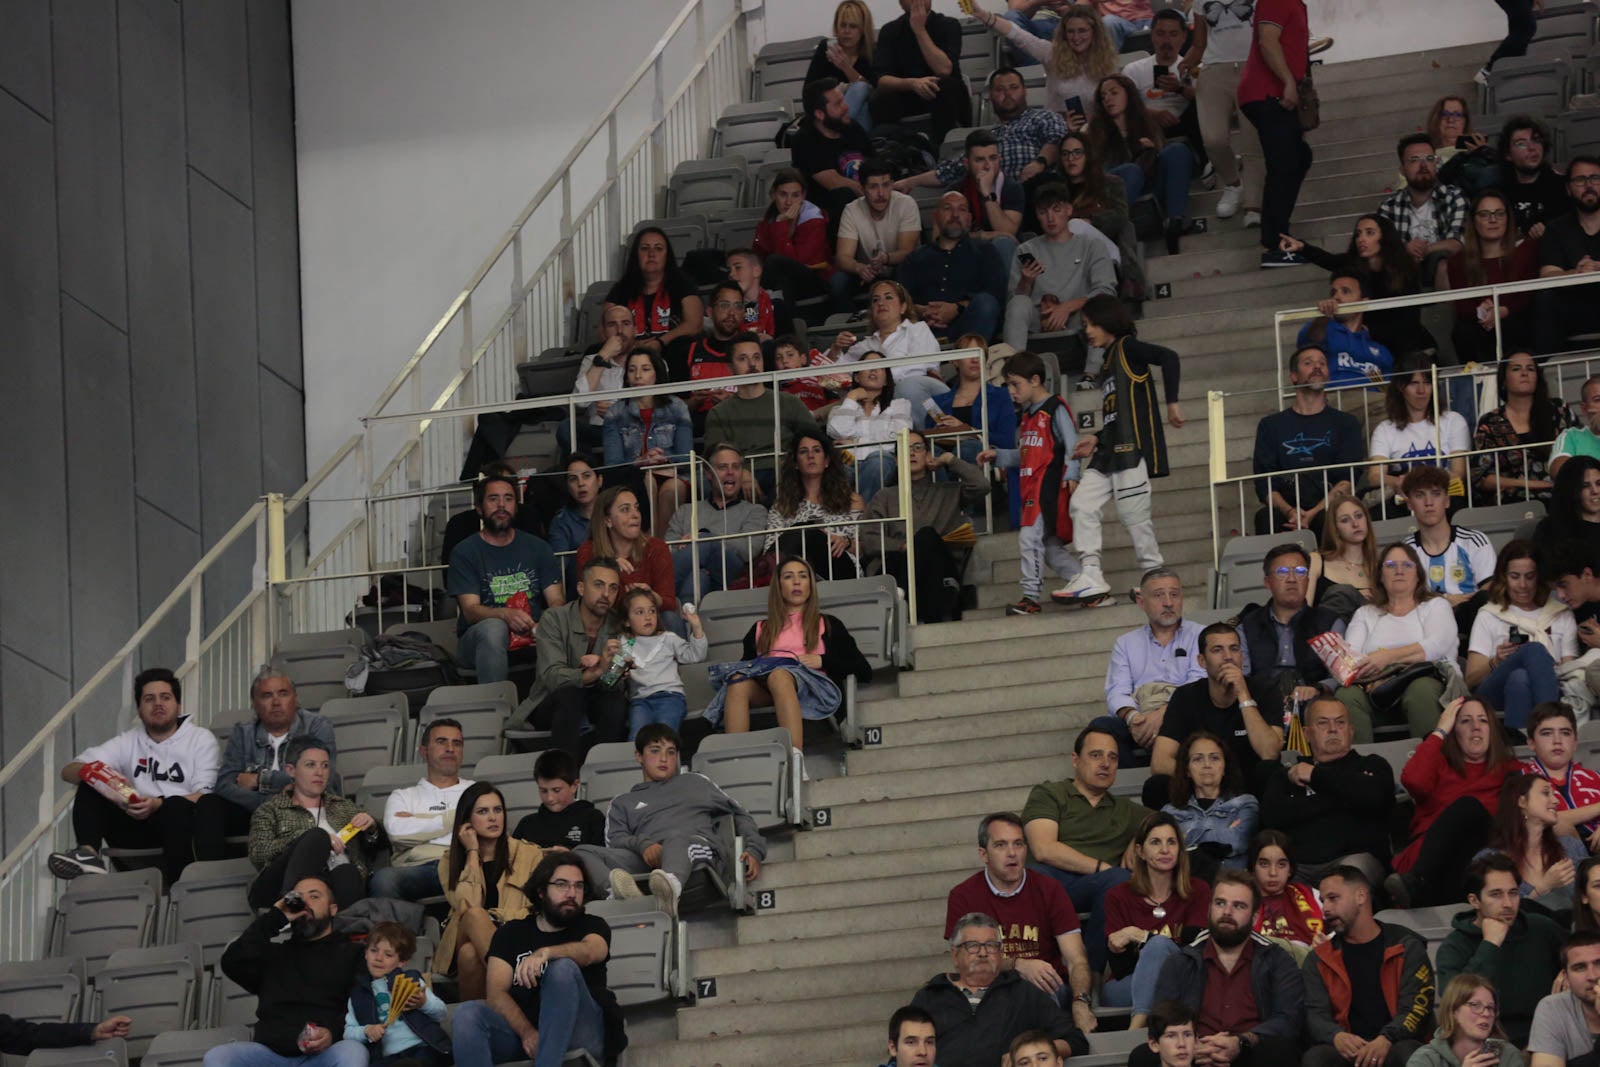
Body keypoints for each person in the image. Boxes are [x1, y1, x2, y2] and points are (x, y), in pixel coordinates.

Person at [1055, 294, 1182, 601]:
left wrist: (1173, 404)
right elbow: (1119, 412)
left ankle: (1156, 578)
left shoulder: (1127, 347)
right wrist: (1097, 436)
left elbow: (1170, 357)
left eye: (1090, 324)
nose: (1087, 331)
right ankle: (1092, 575)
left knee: (1134, 517)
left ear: (1107, 320)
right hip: (1110, 450)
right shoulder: (1109, 360)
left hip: (1131, 450)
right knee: (1082, 504)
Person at [449, 854, 626, 1067]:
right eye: (562, 885)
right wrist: (527, 1032)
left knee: (561, 969)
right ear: (541, 891)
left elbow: (591, 951)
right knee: (467, 1014)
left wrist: (547, 953)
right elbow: (496, 994)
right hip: (527, 1033)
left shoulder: (593, 925)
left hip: (581, 1031)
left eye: (578, 886)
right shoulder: (511, 933)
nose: (572, 893)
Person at [50, 666, 219, 885]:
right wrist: (99, 777)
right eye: (149, 699)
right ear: (139, 709)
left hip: (181, 824)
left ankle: (179, 886)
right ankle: (88, 854)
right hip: (136, 822)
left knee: (176, 808)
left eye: (165, 697)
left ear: (178, 705)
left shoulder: (200, 739)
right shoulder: (128, 741)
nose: (158, 703)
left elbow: (204, 796)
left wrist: (158, 803)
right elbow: (69, 770)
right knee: (89, 782)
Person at [572, 725, 763, 916]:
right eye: (655, 751)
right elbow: (616, 840)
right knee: (580, 852)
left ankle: (669, 891)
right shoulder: (623, 802)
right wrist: (644, 845)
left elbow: (739, 813)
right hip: (649, 864)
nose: (664, 758)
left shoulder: (695, 783)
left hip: (697, 862)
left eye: (670, 752)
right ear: (639, 756)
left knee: (676, 838)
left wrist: (753, 848)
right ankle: (622, 897)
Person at [1136, 870, 1306, 1067]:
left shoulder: (1277, 959)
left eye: (1239, 906)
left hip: (1251, 1053)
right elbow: (1162, 1020)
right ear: (1209, 910)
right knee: (1143, 1057)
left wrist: (1241, 1042)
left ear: (1254, 916)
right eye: (1220, 903)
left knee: (1281, 1052)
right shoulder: (1181, 961)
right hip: (1196, 1054)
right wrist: (1193, 1047)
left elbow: (1289, 1020)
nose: (1227, 912)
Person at [705, 555, 873, 752]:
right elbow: (748, 667)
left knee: (780, 675)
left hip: (814, 686)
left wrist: (821, 660)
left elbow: (863, 669)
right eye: (788, 577)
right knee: (737, 680)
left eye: (802, 576)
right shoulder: (760, 629)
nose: (796, 582)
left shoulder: (827, 624)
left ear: (810, 584)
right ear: (779, 586)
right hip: (769, 685)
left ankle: (795, 759)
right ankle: (735, 758)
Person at [944, 813, 1096, 1028]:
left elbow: (1076, 959)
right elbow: (966, 960)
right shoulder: (964, 896)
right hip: (991, 988)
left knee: (1037, 989)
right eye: (1000, 845)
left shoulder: (1049, 889)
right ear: (983, 854)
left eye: (1018, 844)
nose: (1012, 853)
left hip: (1048, 987)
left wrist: (1081, 1002)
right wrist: (1019, 965)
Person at [1020, 725, 1150, 972]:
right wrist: (1101, 867)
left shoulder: (1125, 809)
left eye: (1113, 757)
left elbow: (1170, 823)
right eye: (1096, 755)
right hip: (1051, 879)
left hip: (1097, 888)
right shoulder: (1050, 793)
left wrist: (1139, 838)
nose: (1105, 763)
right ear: (1075, 760)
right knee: (1035, 877)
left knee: (1120, 881)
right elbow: (1043, 849)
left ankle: (1089, 973)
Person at [207, 877, 366, 1067]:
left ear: (333, 909)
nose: (305, 903)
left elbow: (363, 1007)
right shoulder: (275, 954)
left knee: (353, 1052)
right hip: (271, 1056)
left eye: (314, 897)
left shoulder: (353, 954)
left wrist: (332, 1032)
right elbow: (232, 961)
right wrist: (276, 917)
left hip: (326, 1054)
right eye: (298, 898)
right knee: (218, 1057)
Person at [975, 350, 1085, 615]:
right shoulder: (1026, 417)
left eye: (1015, 384)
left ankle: (1030, 596)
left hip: (1048, 488)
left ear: (1035, 380)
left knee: (1028, 538)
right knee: (1049, 549)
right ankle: (1087, 584)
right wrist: (999, 455)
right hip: (1031, 488)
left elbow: (1073, 446)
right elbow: (1026, 454)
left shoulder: (1054, 408)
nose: (1012, 391)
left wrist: (1072, 475)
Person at [196, 668, 338, 862]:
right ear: (255, 704)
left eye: (283, 694)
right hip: (252, 811)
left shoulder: (316, 726)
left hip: (301, 810)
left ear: (295, 698)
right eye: (267, 696)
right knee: (208, 803)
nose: (276, 702)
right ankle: (208, 874)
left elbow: (321, 779)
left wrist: (261, 780)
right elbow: (223, 785)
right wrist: (268, 802)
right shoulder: (243, 733)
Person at [1386, 698, 1515, 909]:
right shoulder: (1439, 764)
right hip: (1432, 866)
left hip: (1481, 866)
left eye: (1483, 721)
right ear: (1453, 730)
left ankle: (1418, 882)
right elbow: (1412, 780)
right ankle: (1417, 881)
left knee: (1473, 810)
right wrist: (1440, 731)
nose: (1476, 727)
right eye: (1465, 721)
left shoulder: (1510, 770)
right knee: (1468, 806)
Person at [910, 913, 1088, 1065]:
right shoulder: (930, 996)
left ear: (1000, 953)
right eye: (972, 946)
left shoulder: (1023, 992)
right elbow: (906, 1052)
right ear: (955, 955)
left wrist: (1026, 1053)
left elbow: (1075, 1041)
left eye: (990, 945)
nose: (983, 953)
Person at [1301, 866, 1433, 1067]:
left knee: (1410, 1053)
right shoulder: (1318, 958)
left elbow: (1416, 1009)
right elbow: (1315, 1014)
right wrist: (1336, 1036)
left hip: (1394, 1044)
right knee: (1316, 1058)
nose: (1325, 908)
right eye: (1323, 901)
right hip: (1347, 1050)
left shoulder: (1407, 947)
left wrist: (1386, 1039)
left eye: (1333, 898)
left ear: (1361, 896)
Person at [1260, 695, 1395, 885]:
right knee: (1274, 880)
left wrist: (1315, 776)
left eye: (1340, 723)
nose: (1333, 729)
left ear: (1351, 731)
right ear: (1307, 733)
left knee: (1345, 881)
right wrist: (1343, 798)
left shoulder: (1373, 765)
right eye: (1323, 723)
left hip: (1354, 860)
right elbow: (1273, 818)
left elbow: (1376, 797)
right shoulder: (1288, 775)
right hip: (1299, 866)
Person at [858, 427, 987, 624]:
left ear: (927, 455)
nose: (911, 452)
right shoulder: (884, 497)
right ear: (896, 459)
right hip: (898, 566)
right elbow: (869, 539)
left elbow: (982, 485)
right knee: (910, 549)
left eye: (917, 447)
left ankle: (906, 613)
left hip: (939, 571)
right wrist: (903, 547)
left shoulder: (947, 491)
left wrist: (949, 460)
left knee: (926, 537)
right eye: (905, 448)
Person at [1435, 852, 1565, 1047]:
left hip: (1546, 1036)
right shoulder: (1454, 946)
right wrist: (1490, 945)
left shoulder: (1540, 928)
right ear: (1474, 901)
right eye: (1496, 894)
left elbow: (1582, 955)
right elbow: (1456, 1003)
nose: (1507, 903)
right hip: (1488, 1041)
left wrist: (1569, 972)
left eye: (1513, 893)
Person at [447, 473, 564, 684]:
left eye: (508, 499)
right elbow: (471, 611)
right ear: (479, 508)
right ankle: (496, 709)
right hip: (479, 640)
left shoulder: (538, 547)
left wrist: (542, 625)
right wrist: (505, 615)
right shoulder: (464, 552)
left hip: (533, 633)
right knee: (494, 628)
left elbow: (556, 602)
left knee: (562, 623)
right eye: (493, 499)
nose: (502, 505)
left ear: (516, 506)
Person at [1336, 541, 1459, 741]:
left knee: (1421, 690)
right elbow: (1352, 657)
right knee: (1346, 695)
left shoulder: (1436, 606)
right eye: (1391, 565)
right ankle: (1360, 767)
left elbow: (1436, 647)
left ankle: (1430, 764)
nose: (1399, 570)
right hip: (1376, 689)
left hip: (1427, 683)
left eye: (1407, 565)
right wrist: (1372, 671)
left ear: (1418, 574)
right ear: (1380, 576)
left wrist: (1386, 657)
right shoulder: (1366, 613)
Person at [1149, 622, 1283, 803]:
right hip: (1201, 789)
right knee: (1156, 785)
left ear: (1242, 657)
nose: (1228, 657)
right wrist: (1208, 777)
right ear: (1202, 661)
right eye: (1218, 650)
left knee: (1269, 772)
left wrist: (1243, 696)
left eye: (1234, 649)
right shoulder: (1185, 697)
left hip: (1250, 788)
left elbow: (1270, 753)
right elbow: (1160, 761)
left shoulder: (1265, 691)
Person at [435, 783, 543, 1001]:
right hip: (466, 931)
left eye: (498, 810)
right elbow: (467, 905)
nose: (493, 818)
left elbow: (536, 911)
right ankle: (515, 985)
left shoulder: (529, 854)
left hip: (516, 934)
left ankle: (481, 1022)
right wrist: (472, 852)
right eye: (483, 812)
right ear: (467, 820)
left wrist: (495, 917)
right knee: (475, 914)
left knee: (469, 955)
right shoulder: (450, 861)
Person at [1102, 813, 1212, 1028]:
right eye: (1155, 842)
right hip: (1128, 985)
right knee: (1158, 946)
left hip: (1182, 981)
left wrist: (1142, 936)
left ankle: (1136, 1030)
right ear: (1140, 852)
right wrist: (1153, 947)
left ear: (1180, 850)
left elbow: (1194, 952)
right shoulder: (1117, 896)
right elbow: (1120, 965)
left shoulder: (1198, 891)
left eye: (1171, 842)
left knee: (1159, 944)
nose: (1165, 850)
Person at [1091, 567, 1207, 767]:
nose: (1169, 603)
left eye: (1174, 594)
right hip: (1140, 716)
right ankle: (1140, 785)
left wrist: (1163, 715)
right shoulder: (1126, 643)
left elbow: (1198, 684)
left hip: (1185, 714)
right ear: (1141, 602)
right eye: (1159, 595)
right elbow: (1117, 691)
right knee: (1101, 729)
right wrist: (1134, 719)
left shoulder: (1200, 635)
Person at [517, 556, 628, 760]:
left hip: (596, 698)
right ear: (580, 588)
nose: (606, 594)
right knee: (570, 695)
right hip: (550, 702)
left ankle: (603, 770)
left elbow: (613, 683)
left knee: (615, 701)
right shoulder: (554, 619)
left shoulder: (617, 624)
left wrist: (614, 671)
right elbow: (552, 678)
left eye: (613, 588)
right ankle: (566, 776)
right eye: (598, 585)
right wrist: (596, 670)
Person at [1281, 216, 1435, 358]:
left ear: (1385, 237)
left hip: (1406, 341)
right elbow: (1328, 260)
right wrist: (1301, 247)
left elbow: (1410, 317)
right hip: (1372, 343)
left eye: (1369, 233)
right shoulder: (1352, 265)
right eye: (1358, 234)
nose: (1361, 239)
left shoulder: (1405, 269)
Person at [1251, 346, 1365, 536]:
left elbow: (1347, 479)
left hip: (1329, 506)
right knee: (1266, 518)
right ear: (1294, 376)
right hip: (1285, 510)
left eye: (1322, 363)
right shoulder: (1270, 425)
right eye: (1308, 363)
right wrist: (1290, 512)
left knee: (1331, 517)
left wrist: (1313, 513)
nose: (1317, 367)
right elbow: (1265, 482)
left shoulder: (1346, 423)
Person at [246, 739, 373, 910]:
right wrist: (304, 839)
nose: (319, 772)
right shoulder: (270, 810)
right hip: (278, 888)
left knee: (347, 872)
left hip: (332, 887)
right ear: (291, 770)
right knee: (317, 836)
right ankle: (290, 908)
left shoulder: (344, 807)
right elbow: (258, 854)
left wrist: (371, 828)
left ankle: (343, 930)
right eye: (310, 765)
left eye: (325, 766)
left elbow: (375, 849)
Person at [1467, 542, 1579, 730]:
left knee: (1519, 679)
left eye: (1530, 577)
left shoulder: (1561, 614)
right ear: (1503, 577)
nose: (1522, 585)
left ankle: (1519, 745)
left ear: (1539, 577)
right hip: (1494, 693)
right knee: (1533, 650)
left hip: (1551, 686)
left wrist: (1547, 667)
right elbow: (1470, 679)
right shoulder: (1488, 615)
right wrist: (1496, 661)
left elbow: (1570, 672)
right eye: (1514, 577)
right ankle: (1552, 726)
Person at [897, 65, 1068, 188]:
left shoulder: (1044, 117)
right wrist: (908, 182)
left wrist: (1040, 163)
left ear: (1024, 91)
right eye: (1000, 90)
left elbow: (1058, 140)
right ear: (990, 96)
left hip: (1040, 191)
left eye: (1013, 88)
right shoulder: (987, 137)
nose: (1007, 94)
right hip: (998, 201)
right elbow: (950, 170)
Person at [1002, 183, 1117, 356]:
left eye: (1056, 210)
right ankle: (1014, 371)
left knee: (1100, 308)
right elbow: (1013, 303)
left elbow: (1106, 291)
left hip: (1079, 318)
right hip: (1039, 319)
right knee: (1018, 303)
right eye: (1043, 212)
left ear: (1069, 210)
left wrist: (1067, 307)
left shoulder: (1091, 245)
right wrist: (1026, 281)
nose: (1050, 218)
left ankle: (1091, 375)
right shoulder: (1026, 250)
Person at [370, 719, 474, 902]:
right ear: (423, 751)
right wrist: (459, 817)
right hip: (416, 869)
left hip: (464, 865)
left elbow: (485, 829)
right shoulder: (402, 796)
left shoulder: (476, 791)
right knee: (384, 880)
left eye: (456, 743)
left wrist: (418, 820)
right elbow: (397, 832)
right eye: (441, 742)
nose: (450, 748)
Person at [1241, 0, 1312, 269]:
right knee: (1285, 164)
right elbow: (1267, 41)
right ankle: (1275, 244)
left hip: (1274, 94)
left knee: (1298, 158)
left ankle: (1278, 238)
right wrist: (1288, 82)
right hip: (1268, 94)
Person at [1091, 73, 1194, 254]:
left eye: (1113, 92)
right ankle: (1109, 230)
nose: (1107, 99)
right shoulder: (1093, 130)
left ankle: (1174, 222)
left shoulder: (1148, 125)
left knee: (1176, 150)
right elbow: (1098, 175)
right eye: (1103, 96)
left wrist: (1151, 152)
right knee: (1131, 171)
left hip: (1150, 190)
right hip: (1115, 196)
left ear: (1128, 95)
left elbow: (1158, 167)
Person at [969, 1, 1119, 126]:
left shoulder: (1107, 63)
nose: (1076, 37)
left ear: (1094, 32)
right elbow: (1018, 35)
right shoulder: (1052, 54)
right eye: (1070, 31)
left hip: (1097, 131)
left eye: (1082, 31)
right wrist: (984, 15)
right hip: (1056, 130)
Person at [701, 336, 822, 488]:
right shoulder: (719, 413)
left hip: (789, 473)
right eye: (743, 359)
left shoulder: (789, 402)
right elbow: (716, 457)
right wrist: (742, 473)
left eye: (757, 358)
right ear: (731, 368)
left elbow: (815, 440)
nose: (752, 364)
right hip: (742, 478)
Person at [1438, 191, 1540, 364]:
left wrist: (1504, 310)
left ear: (1508, 218)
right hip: (1479, 326)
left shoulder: (1527, 250)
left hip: (1519, 323)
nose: (1493, 220)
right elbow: (1462, 308)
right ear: (1474, 221)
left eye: (1499, 214)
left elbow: (1530, 296)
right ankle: (1479, 382)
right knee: (1464, 330)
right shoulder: (1458, 262)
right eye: (1484, 215)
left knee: (1517, 324)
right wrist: (1484, 311)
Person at [1184, 0, 1262, 225]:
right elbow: (1199, 43)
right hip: (1214, 70)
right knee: (1213, 139)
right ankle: (1233, 184)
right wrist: (1184, 64)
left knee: (1253, 142)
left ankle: (1254, 205)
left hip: (1253, 66)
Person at [1238, 543, 1343, 706]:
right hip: (1263, 704)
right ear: (1267, 582)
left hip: (1314, 704)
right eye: (1282, 572)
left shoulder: (1329, 622)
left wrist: (1318, 688)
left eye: (1300, 572)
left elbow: (1340, 675)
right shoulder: (1247, 625)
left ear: (1308, 580)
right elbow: (1241, 677)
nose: (1292, 579)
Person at [602, 350, 692, 540]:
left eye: (645, 369)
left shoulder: (677, 407)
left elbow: (686, 457)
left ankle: (662, 548)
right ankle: (647, 547)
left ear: (656, 374)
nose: (638, 376)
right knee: (647, 481)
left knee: (671, 489)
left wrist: (664, 460)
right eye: (632, 370)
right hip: (634, 476)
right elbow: (613, 464)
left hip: (673, 473)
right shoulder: (615, 412)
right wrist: (640, 461)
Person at [829, 280, 953, 413]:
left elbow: (919, 369)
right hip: (881, 403)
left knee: (908, 386)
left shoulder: (918, 330)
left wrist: (875, 383)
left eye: (888, 297)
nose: (881, 303)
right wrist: (836, 349)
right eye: (876, 300)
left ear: (903, 307)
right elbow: (833, 378)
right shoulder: (865, 345)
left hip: (925, 399)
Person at [897, 192, 1007, 342]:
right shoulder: (915, 258)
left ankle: (968, 359)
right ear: (935, 217)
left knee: (987, 303)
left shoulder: (985, 252)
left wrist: (957, 308)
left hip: (970, 329)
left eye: (961, 209)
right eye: (948, 209)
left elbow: (996, 295)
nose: (955, 215)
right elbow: (901, 300)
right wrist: (923, 311)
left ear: (969, 219)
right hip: (924, 331)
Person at [666, 442, 769, 602]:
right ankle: (692, 624)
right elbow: (668, 551)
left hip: (732, 575)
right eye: (722, 467)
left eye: (736, 467)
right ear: (708, 473)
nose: (730, 473)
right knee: (698, 577)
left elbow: (748, 549)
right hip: (694, 580)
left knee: (707, 545)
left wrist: (704, 537)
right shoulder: (686, 511)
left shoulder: (755, 511)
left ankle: (660, 589)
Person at [1473, 352, 1576, 507]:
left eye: (1530, 369)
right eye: (1516, 369)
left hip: (1562, 494)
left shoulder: (1559, 410)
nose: (1524, 373)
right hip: (1511, 501)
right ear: (1504, 381)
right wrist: (1530, 484)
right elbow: (1481, 478)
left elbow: (1581, 451)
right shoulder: (1490, 422)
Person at [343, 922, 450, 1067]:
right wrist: (366, 1031)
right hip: (386, 1058)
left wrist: (423, 1003)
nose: (379, 958)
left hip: (422, 1048)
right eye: (374, 950)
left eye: (388, 954)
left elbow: (441, 1012)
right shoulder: (358, 993)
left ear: (402, 962)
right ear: (366, 954)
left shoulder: (411, 980)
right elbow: (348, 1032)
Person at [1369, 356, 1471, 506]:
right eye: (1414, 383)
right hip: (1405, 500)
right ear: (1400, 386)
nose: (1421, 390)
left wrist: (1422, 485)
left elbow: (1458, 473)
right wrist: (1398, 482)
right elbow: (1375, 476)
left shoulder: (1453, 420)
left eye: (1427, 383)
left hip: (1444, 499)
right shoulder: (1385, 429)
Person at [575, 486, 680, 632]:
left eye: (636, 508)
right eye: (625, 510)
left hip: (646, 621)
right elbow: (591, 603)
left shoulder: (656, 548)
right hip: (609, 621)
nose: (635, 515)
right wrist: (610, 568)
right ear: (607, 520)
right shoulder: (588, 552)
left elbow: (669, 602)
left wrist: (649, 596)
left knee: (670, 617)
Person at [603, 227, 704, 379]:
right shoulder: (621, 288)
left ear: (667, 255)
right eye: (645, 249)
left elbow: (694, 324)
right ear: (636, 255)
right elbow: (604, 329)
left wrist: (660, 342)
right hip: (630, 353)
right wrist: (629, 345)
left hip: (670, 350)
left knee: (683, 346)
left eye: (658, 249)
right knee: (596, 350)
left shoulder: (682, 284)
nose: (651, 254)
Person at [764, 431, 865, 581]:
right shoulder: (782, 506)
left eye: (817, 450)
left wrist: (846, 542)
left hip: (840, 569)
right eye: (804, 452)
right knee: (803, 531)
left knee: (807, 532)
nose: (810, 455)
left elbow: (864, 549)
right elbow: (771, 549)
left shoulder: (851, 500)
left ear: (826, 461)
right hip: (794, 574)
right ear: (796, 463)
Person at [868, 0, 972, 144]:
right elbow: (882, 79)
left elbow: (943, 70)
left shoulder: (948, 25)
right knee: (879, 99)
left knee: (947, 86)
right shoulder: (890, 31)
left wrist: (919, 30)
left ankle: (944, 149)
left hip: (942, 92)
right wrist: (912, 83)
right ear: (901, 3)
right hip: (906, 93)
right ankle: (893, 150)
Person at [930, 343, 1019, 512]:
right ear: (955, 361)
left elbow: (1007, 440)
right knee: (929, 454)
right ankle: (944, 513)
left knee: (969, 447)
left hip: (985, 462)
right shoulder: (939, 401)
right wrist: (940, 430)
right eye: (968, 353)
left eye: (979, 354)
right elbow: (929, 439)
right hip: (946, 463)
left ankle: (961, 514)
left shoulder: (1000, 395)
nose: (974, 359)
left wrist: (967, 430)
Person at [1480, 774, 1587, 910]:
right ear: (1522, 802)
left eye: (1554, 794)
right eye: (1546, 793)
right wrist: (1544, 887)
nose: (1555, 801)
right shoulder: (1489, 860)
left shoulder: (1571, 847)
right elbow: (1495, 912)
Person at [1161, 732, 1260, 877]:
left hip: (1232, 887)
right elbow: (1167, 850)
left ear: (1225, 767)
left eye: (1214, 758)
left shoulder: (1245, 803)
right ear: (1187, 770)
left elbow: (1237, 841)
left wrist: (1186, 837)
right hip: (1187, 887)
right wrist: (1223, 833)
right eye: (1198, 759)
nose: (1207, 765)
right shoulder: (1170, 812)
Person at [615, 587, 707, 738]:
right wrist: (616, 666)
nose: (648, 617)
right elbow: (612, 676)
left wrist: (696, 627)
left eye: (652, 611)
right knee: (636, 739)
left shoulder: (667, 638)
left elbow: (695, 655)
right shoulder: (624, 643)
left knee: (665, 737)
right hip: (640, 702)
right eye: (640, 612)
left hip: (670, 697)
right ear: (626, 621)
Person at [831, 160, 922, 308]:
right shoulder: (851, 210)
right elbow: (842, 258)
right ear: (862, 188)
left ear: (892, 184)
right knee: (837, 282)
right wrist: (859, 268)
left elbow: (908, 253)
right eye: (873, 187)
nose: (881, 194)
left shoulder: (906, 204)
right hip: (868, 273)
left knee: (905, 271)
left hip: (899, 270)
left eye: (886, 185)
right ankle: (852, 324)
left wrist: (886, 258)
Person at [1401, 466, 1497, 605]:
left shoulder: (1474, 541)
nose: (1429, 503)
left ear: (1447, 501)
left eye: (1436, 494)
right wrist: (1444, 599)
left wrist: (1463, 604)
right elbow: (1404, 596)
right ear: (1410, 504)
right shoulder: (1406, 551)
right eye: (1419, 495)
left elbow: (1490, 588)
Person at [828, 350, 914, 503]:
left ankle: (862, 514)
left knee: (877, 461)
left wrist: (855, 443)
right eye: (868, 365)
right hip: (849, 464)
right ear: (857, 377)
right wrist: (851, 397)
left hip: (883, 464)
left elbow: (898, 438)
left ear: (886, 380)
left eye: (880, 367)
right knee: (836, 469)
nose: (873, 370)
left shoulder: (899, 406)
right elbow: (837, 431)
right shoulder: (840, 409)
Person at [1536, 157, 1600, 357]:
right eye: (1580, 180)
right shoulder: (1557, 229)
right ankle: (1544, 371)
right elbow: (1547, 275)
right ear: (1568, 189)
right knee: (1545, 299)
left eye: (1595, 178)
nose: (1589, 185)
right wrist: (1576, 273)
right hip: (1575, 306)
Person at [1376, 133, 1468, 269]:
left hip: (1446, 271)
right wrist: (1405, 250)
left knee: (1443, 264)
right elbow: (1381, 252)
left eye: (1430, 158)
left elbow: (1457, 243)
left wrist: (1424, 250)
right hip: (1404, 275)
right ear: (1402, 169)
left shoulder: (1454, 197)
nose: (1424, 165)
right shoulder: (1388, 207)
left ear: (1436, 164)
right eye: (1414, 160)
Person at [1297, 273, 1393, 394]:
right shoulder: (1322, 327)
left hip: (1372, 406)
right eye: (1333, 293)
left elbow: (1388, 390)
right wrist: (1323, 316)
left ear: (1364, 302)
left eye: (1345, 291)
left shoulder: (1381, 350)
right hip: (1332, 402)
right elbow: (1311, 341)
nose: (1336, 297)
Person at [753, 169, 833, 307]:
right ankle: (751, 323)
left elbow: (794, 262)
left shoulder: (814, 220)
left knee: (775, 266)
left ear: (803, 196)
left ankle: (780, 324)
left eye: (795, 195)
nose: (789, 202)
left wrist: (781, 225)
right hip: (779, 281)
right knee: (747, 280)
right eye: (783, 194)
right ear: (773, 195)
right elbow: (756, 258)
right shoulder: (769, 220)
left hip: (813, 279)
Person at [1522, 702, 1600, 843]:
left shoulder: (1596, 778)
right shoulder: (1520, 780)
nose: (1557, 741)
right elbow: (1549, 820)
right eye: (1547, 733)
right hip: (1556, 857)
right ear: (1531, 743)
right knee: (1559, 826)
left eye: (1565, 733)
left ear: (1575, 742)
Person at [1409, 974, 1527, 1067]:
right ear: (1454, 1011)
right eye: (1475, 1005)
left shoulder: (1509, 1055)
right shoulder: (1425, 1059)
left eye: (1490, 1008)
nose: (1486, 1013)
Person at [1528, 932, 1600, 1067]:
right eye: (1580, 968)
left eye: (1599, 963)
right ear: (1566, 977)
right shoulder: (1553, 1008)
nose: (1593, 976)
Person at [513, 749, 606, 851]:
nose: (550, 798)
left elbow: (601, 860)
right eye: (544, 791)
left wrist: (572, 856)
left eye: (556, 790)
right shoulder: (527, 824)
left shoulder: (593, 820)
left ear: (574, 786)